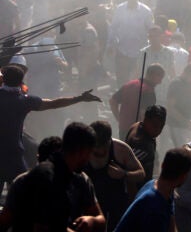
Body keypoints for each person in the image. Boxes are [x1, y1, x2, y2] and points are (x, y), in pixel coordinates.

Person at [0, 65, 101, 193]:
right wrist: (79, 98)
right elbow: (54, 103)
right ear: (21, 82)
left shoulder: (20, 99)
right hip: (14, 154)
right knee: (21, 194)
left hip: (11, 153)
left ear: (3, 80)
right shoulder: (24, 100)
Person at [1, 123, 106, 231]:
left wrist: (91, 221)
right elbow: (42, 228)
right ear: (81, 151)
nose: (88, 159)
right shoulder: (44, 178)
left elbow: (101, 220)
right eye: (88, 153)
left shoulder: (79, 179)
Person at [85, 121, 146, 231]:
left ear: (108, 141)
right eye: (95, 147)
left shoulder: (120, 149)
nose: (98, 151)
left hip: (115, 204)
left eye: (101, 147)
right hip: (90, 203)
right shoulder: (83, 148)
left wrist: (124, 174)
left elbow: (141, 174)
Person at [114, 147, 191, 232]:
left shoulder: (161, 189)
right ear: (183, 177)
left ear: (162, 165)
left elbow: (171, 224)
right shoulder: (154, 207)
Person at [108, 0, 154, 88]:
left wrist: (151, 47)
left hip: (140, 51)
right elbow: (113, 27)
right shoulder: (120, 9)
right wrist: (110, 44)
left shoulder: (145, 11)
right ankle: (121, 100)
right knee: (121, 79)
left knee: (138, 80)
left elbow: (151, 29)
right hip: (122, 49)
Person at [109, 63, 166, 139]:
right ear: (153, 75)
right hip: (137, 133)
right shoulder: (148, 92)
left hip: (123, 129)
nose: (160, 82)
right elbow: (143, 115)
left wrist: (119, 119)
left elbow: (112, 101)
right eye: (160, 78)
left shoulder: (129, 84)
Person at [126, 105, 167, 184]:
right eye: (155, 125)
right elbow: (131, 175)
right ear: (146, 120)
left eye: (161, 126)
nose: (158, 130)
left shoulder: (137, 125)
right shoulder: (141, 144)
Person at [166, 62, 191, 146]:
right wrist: (185, 121)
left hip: (187, 125)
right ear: (188, 73)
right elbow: (170, 107)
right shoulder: (176, 84)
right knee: (180, 149)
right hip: (175, 125)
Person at [140, 25, 177, 104]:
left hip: (163, 92)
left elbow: (172, 72)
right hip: (146, 92)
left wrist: (175, 90)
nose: (152, 38)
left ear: (161, 36)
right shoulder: (143, 53)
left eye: (155, 36)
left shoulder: (168, 53)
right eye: (150, 36)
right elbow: (138, 72)